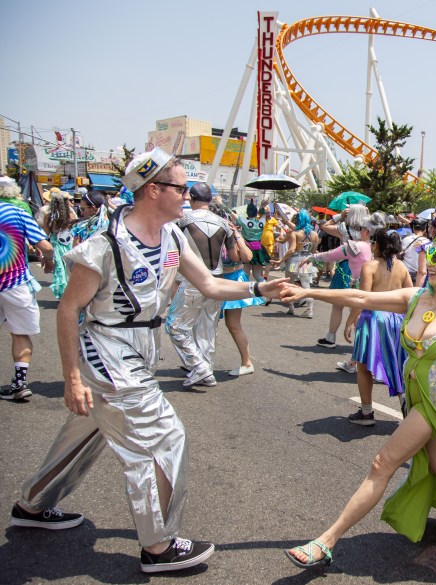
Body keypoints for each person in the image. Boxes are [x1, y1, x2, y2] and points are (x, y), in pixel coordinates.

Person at [10, 149, 287, 573]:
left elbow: (211, 285)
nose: (189, 195)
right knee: (164, 439)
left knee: (87, 433)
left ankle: (32, 505)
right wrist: (71, 378)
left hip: (141, 345)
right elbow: (68, 311)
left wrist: (258, 289)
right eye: (180, 187)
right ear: (152, 190)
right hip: (108, 351)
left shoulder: (174, 236)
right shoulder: (102, 247)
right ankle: (158, 545)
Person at [280, 227, 436, 570]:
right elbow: (361, 298)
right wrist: (306, 291)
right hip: (415, 395)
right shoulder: (415, 297)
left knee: (382, 463)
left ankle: (327, 540)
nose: (429, 262)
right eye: (429, 255)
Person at [165, 182, 239, 387]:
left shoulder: (181, 221)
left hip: (192, 280)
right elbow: (234, 255)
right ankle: (204, 366)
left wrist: (167, 279)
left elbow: (171, 253)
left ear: (192, 198)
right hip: (217, 279)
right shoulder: (224, 223)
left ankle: (199, 367)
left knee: (175, 325)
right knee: (208, 327)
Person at [345, 228, 413, 424]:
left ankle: (366, 412)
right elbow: (412, 295)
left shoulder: (370, 266)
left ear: (376, 245)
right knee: (398, 364)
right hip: (396, 320)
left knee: (364, 367)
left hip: (373, 319)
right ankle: (405, 404)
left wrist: (349, 322)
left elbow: (362, 298)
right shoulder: (401, 267)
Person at [306, 205, 382, 349]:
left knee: (338, 305)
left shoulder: (343, 228)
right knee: (358, 306)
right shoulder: (370, 230)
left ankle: (331, 337)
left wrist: (339, 216)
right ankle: (362, 343)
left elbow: (325, 226)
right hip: (365, 268)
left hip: (345, 267)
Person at [0, 200, 53, 400]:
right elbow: (46, 246)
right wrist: (49, 261)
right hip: (15, 282)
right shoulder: (16, 212)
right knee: (20, 333)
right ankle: (19, 384)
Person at [211, 199, 264, 376]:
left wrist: (236, 235)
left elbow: (244, 257)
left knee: (232, 324)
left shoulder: (228, 230)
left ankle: (247, 362)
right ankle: (200, 362)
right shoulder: (207, 229)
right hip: (215, 280)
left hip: (231, 279)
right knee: (207, 324)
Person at [42, 191, 78, 298]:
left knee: (60, 269)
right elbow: (75, 230)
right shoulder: (71, 215)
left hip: (56, 243)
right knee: (70, 268)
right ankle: (70, 293)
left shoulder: (49, 216)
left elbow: (46, 233)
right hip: (69, 243)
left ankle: (63, 293)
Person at [235, 199, 268, 282]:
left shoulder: (244, 221)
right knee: (257, 275)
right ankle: (266, 288)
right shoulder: (262, 222)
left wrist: (222, 204)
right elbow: (263, 215)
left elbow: (232, 214)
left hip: (246, 248)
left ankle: (245, 293)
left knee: (245, 274)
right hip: (258, 249)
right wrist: (262, 207)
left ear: (247, 212)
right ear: (256, 213)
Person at [400, 217, 430, 287]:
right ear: (425, 229)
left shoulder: (405, 240)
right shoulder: (427, 242)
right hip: (421, 276)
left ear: (413, 228)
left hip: (406, 274)